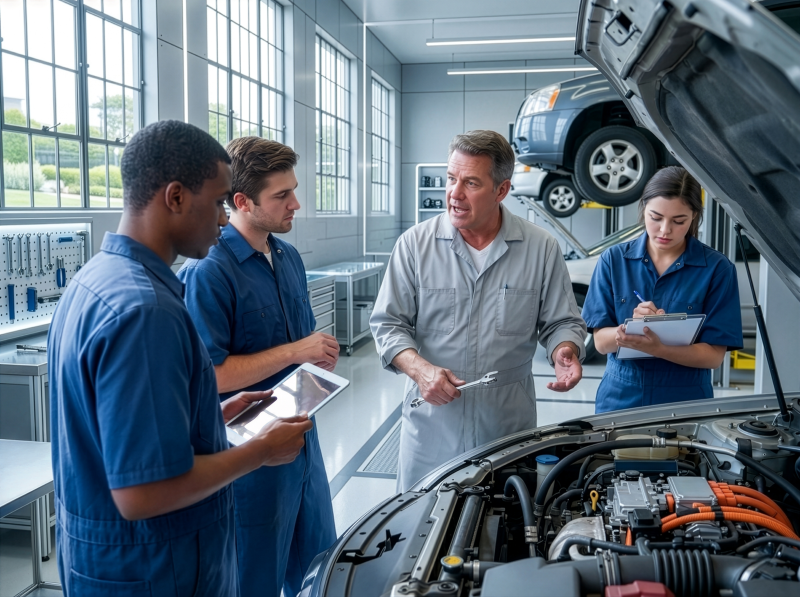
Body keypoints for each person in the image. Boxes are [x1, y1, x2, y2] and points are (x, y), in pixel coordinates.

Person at [47, 121, 313, 597]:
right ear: (174, 197)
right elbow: (142, 492)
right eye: (216, 203)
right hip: (152, 568)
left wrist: (208, 417)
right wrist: (260, 450)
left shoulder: (97, 280)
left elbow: (121, 426)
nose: (222, 218)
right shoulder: (145, 311)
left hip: (116, 560)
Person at [370, 130, 588, 492]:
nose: (454, 194)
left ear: (501, 191)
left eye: (470, 182)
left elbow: (562, 320)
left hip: (505, 425)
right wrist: (420, 370)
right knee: (422, 527)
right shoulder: (415, 245)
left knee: (504, 524)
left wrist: (564, 349)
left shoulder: (540, 248)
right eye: (451, 179)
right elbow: (388, 324)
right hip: (432, 421)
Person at [177, 137, 337, 597]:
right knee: (254, 579)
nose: (296, 204)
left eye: (294, 190)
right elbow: (210, 376)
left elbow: (300, 346)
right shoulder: (210, 271)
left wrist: (317, 354)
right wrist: (294, 352)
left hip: (303, 439)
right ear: (242, 201)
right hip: (249, 458)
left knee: (318, 568)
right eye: (282, 196)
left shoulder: (287, 258)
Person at [582, 166, 743, 413]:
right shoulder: (613, 261)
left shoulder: (717, 269)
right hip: (621, 397)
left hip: (686, 400)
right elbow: (601, 343)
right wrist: (627, 329)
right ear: (643, 208)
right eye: (655, 217)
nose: (665, 230)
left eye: (679, 221)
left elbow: (713, 356)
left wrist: (659, 348)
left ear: (694, 217)